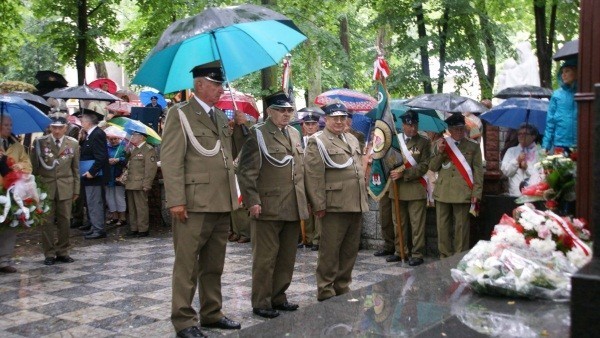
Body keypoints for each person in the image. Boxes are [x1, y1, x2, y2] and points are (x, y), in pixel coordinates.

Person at [161, 62, 242, 338]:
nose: (221, 89)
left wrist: (241, 126)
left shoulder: (220, 117)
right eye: (215, 84)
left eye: (221, 84)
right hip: (193, 203)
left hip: (221, 200)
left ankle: (212, 312)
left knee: (214, 264)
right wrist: (176, 201)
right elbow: (172, 161)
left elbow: (227, 157)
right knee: (187, 265)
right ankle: (184, 321)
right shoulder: (180, 114)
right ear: (199, 84)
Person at [237, 91, 309, 319]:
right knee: (265, 258)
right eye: (281, 110)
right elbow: (246, 171)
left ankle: (279, 296)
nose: (286, 114)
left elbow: (298, 170)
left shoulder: (294, 134)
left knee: (287, 257)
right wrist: (253, 200)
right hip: (267, 205)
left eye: (289, 110)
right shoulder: (257, 134)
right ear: (269, 112)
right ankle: (261, 301)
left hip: (292, 205)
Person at [304, 102, 369, 301]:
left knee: (349, 250)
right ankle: (325, 289)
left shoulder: (351, 138)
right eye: (335, 118)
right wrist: (319, 204)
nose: (339, 121)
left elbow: (357, 169)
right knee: (330, 251)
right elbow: (314, 176)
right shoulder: (319, 141)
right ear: (326, 119)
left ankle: (342, 286)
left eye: (342, 117)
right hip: (334, 205)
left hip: (355, 202)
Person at [429, 114, 483, 258]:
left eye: (462, 129)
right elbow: (433, 167)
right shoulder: (440, 144)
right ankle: (444, 257)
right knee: (443, 228)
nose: (460, 132)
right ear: (450, 130)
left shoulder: (473, 146)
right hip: (443, 192)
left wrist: (476, 194)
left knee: (461, 229)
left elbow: (478, 172)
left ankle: (459, 257)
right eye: (456, 129)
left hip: (463, 192)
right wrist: (440, 152)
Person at [31, 112, 80, 265]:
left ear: (66, 128)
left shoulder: (72, 143)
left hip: (66, 187)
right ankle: (49, 253)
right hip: (47, 187)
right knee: (47, 221)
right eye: (54, 127)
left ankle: (63, 251)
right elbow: (35, 169)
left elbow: (75, 169)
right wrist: (35, 189)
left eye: (60, 128)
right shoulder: (40, 143)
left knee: (65, 221)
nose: (57, 131)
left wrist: (76, 190)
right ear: (50, 127)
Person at [385, 110, 431, 266]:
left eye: (415, 125)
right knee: (399, 223)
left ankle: (417, 253)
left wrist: (403, 173)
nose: (412, 129)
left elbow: (425, 165)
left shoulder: (424, 142)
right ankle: (400, 251)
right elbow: (387, 161)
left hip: (415, 188)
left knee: (416, 224)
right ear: (403, 125)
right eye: (409, 125)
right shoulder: (394, 141)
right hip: (396, 189)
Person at [0, 115, 32, 273]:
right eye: (5, 125)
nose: (9, 127)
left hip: (12, 190)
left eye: (10, 125)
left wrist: (16, 166)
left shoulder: (17, 146)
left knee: (10, 225)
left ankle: (4, 259)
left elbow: (28, 165)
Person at [78, 109, 109, 239]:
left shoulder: (97, 134)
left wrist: (92, 172)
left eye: (82, 121)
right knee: (90, 201)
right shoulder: (89, 135)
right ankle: (93, 225)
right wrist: (81, 140)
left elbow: (101, 156)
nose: (81, 123)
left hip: (95, 175)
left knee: (95, 201)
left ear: (88, 122)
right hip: (87, 174)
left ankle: (98, 229)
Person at [125, 132, 158, 237]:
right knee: (132, 207)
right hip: (131, 182)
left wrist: (147, 184)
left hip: (140, 182)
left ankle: (143, 229)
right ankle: (134, 228)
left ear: (142, 137)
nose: (132, 137)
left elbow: (150, 169)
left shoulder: (148, 149)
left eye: (135, 136)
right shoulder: (133, 149)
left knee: (141, 207)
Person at [297, 107, 322, 251]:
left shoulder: (321, 140)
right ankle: (307, 238)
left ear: (318, 125)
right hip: (302, 179)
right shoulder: (298, 141)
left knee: (317, 209)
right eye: (308, 124)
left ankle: (318, 239)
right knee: (305, 209)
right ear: (303, 126)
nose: (311, 126)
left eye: (313, 124)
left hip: (316, 180)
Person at [542, 57, 578, 154]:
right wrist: (545, 146)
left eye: (567, 71)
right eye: (562, 72)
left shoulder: (583, 94)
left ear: (577, 72)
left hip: (579, 144)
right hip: (560, 144)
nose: (563, 75)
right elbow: (550, 122)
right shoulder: (557, 95)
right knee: (560, 169)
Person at [501, 124, 543, 197]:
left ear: (533, 136)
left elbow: (541, 175)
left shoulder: (540, 153)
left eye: (525, 134)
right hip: (515, 194)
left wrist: (527, 167)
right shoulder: (511, 151)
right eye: (519, 134)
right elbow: (506, 172)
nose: (521, 136)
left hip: (534, 195)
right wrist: (516, 161)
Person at [105, 134, 127, 226]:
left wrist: (118, 159)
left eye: (115, 139)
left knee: (119, 196)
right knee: (109, 196)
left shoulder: (123, 147)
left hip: (118, 174)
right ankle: (114, 216)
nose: (113, 141)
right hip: (108, 174)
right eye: (111, 139)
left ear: (119, 138)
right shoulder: (106, 147)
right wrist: (107, 160)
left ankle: (122, 217)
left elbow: (127, 159)